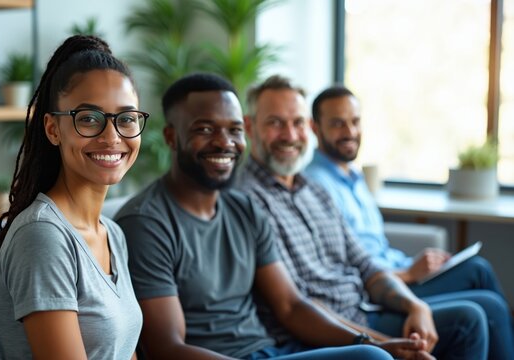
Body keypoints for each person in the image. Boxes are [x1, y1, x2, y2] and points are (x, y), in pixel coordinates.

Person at [114, 72, 425, 360]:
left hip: (274, 351)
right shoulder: (147, 223)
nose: (224, 142)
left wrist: (370, 342)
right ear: (171, 137)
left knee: (377, 354)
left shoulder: (243, 209)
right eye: (205, 129)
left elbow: (291, 306)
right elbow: (166, 348)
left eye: (234, 130)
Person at [237, 74, 491, 359]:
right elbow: (298, 305)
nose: (290, 135)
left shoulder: (314, 190)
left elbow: (366, 265)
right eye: (275, 123)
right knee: (468, 321)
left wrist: (414, 306)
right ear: (249, 126)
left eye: (296, 123)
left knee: (474, 313)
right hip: (327, 332)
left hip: (362, 311)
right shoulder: (247, 200)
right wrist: (379, 343)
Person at [305, 85, 514, 358]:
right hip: (378, 294)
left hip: (396, 274)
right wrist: (409, 274)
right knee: (489, 305)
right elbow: (342, 273)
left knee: (477, 269)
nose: (350, 131)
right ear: (314, 127)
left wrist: (411, 264)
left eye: (355, 122)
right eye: (337, 124)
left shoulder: (352, 177)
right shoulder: (317, 187)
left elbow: (374, 249)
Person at [0, 35, 146, 359]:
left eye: (127, 118)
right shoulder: (43, 237)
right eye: (89, 118)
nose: (112, 136)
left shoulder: (112, 234)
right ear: (52, 129)